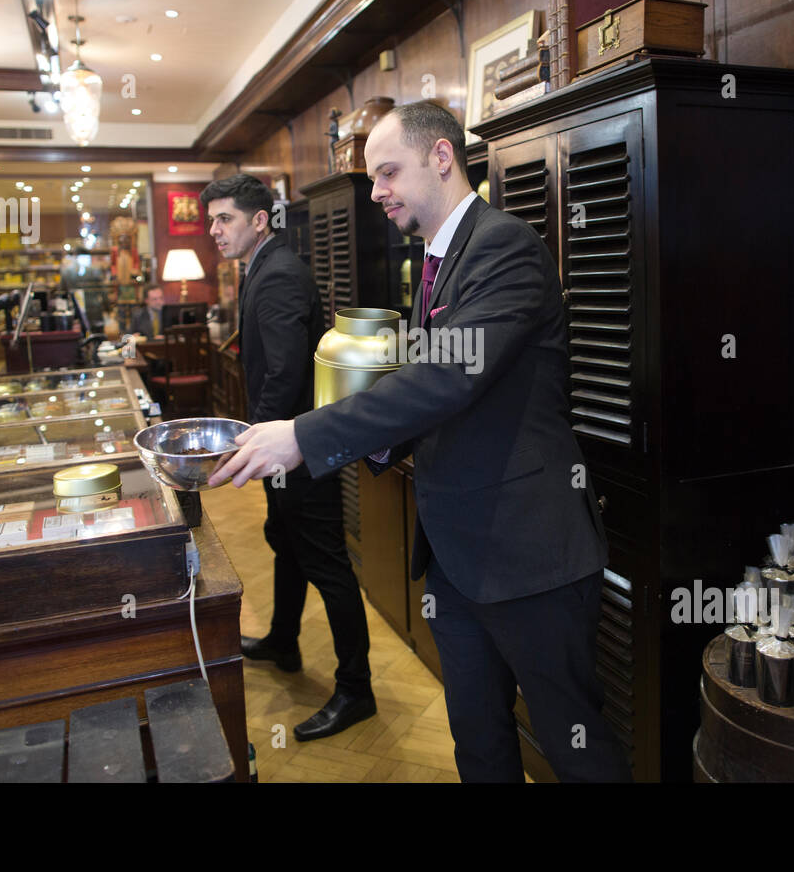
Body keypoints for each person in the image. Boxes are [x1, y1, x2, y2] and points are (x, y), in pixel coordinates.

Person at [212, 101, 632, 781]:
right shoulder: (436, 260)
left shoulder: (505, 246)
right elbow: (432, 394)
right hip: (456, 557)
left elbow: (446, 381)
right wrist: (374, 443)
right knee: (477, 737)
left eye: (386, 173)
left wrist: (305, 434)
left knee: (574, 743)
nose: (375, 191)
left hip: (530, 555)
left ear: (441, 157)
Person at [202, 173, 375, 741]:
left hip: (299, 450)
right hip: (289, 446)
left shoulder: (276, 274)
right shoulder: (267, 265)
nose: (213, 230)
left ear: (258, 220)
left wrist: (259, 448)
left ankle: (357, 689)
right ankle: (283, 639)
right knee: (286, 545)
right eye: (211, 220)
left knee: (326, 563)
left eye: (224, 219)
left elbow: (282, 375)